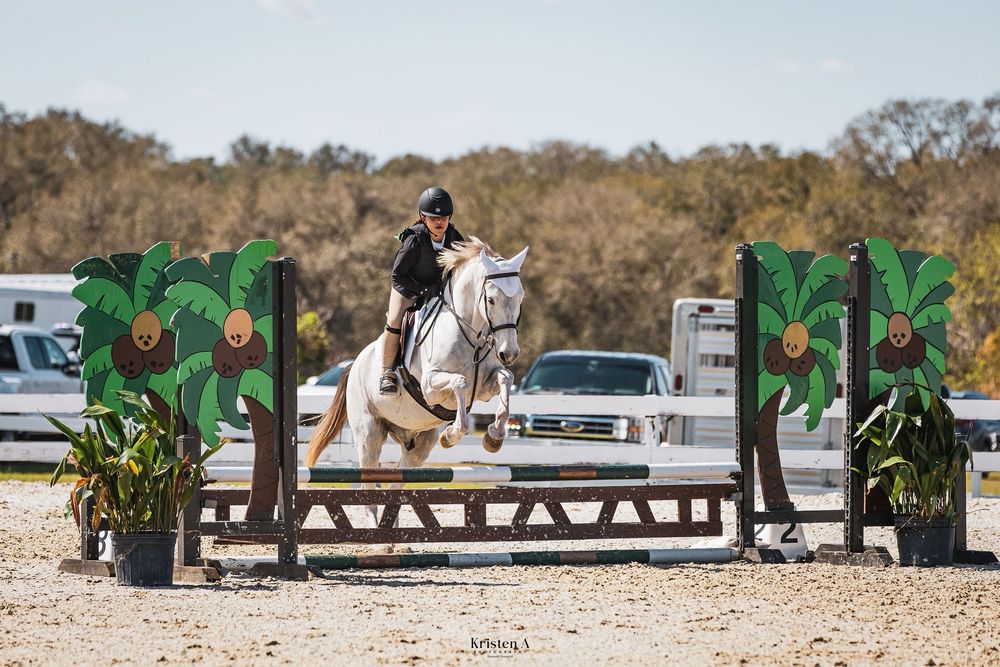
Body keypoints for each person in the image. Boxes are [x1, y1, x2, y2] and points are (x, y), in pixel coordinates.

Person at [380, 187, 465, 395]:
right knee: (395, 321)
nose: (439, 222)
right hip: (409, 287)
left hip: (440, 289)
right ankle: (387, 373)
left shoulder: (454, 237)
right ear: (423, 218)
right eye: (433, 218)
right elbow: (397, 276)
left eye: (444, 217)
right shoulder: (414, 239)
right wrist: (424, 290)